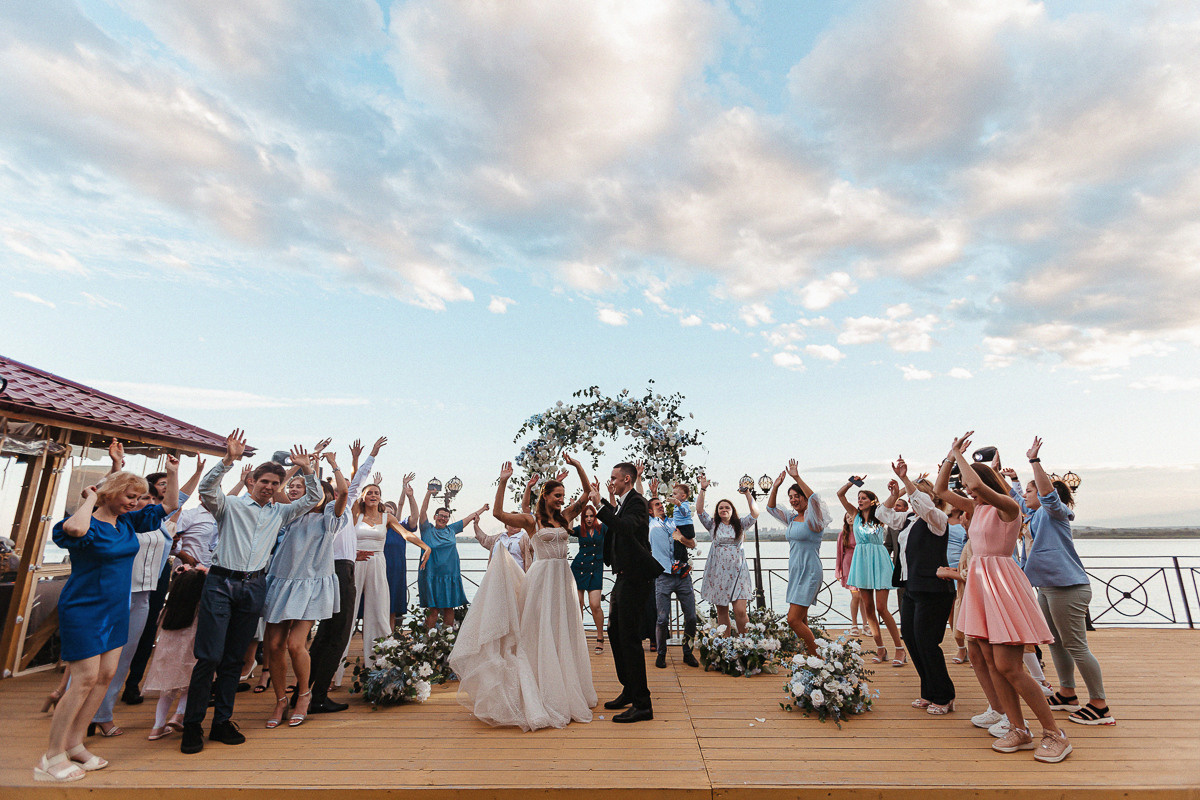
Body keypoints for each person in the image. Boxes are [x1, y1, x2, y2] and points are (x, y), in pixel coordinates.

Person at [180, 432, 321, 755]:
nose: (270, 487)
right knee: (209, 656)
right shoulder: (228, 506)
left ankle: (222, 722)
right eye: (265, 481)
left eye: (275, 483)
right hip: (220, 583)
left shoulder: (280, 513)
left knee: (234, 658)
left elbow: (312, 499)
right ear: (252, 481)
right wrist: (228, 460)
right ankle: (192, 725)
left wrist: (307, 470)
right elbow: (205, 490)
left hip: (254, 585)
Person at [37, 464, 178, 782]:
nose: (136, 502)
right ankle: (51, 756)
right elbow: (73, 532)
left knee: (106, 676)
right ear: (110, 493)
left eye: (140, 496)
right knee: (84, 679)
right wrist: (90, 499)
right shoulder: (83, 524)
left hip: (117, 609)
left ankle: (75, 744)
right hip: (85, 610)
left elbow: (169, 505)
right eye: (131, 496)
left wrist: (174, 470)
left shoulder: (127, 522)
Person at [949, 432, 1072, 763]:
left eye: (972, 482)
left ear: (986, 481)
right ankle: (1018, 728)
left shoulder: (1007, 506)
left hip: (1002, 583)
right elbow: (939, 491)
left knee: (1009, 665)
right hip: (980, 584)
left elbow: (974, 487)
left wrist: (961, 457)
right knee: (991, 661)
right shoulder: (976, 508)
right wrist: (950, 458)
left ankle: (1054, 733)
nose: (968, 489)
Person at [449, 456, 597, 730]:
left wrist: (578, 467)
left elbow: (587, 494)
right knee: (537, 630)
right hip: (541, 578)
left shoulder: (565, 517)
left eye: (563, 496)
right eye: (557, 496)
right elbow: (498, 514)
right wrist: (503, 482)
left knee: (561, 628)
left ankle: (565, 685)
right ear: (546, 496)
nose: (561, 500)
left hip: (563, 577)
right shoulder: (531, 521)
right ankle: (540, 685)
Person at [1008, 437, 1113, 726]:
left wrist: (1034, 461)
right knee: (1055, 642)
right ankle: (1067, 693)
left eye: (1031, 490)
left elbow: (1047, 496)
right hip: (1047, 587)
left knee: (1076, 644)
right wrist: (1010, 478)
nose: (1026, 495)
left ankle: (1100, 705)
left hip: (1068, 587)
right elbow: (1015, 500)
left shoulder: (1054, 513)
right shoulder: (1032, 517)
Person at [261, 452, 349, 729]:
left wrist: (330, 466)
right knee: (273, 645)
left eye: (316, 491)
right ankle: (279, 700)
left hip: (311, 585)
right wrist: (294, 467)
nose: (303, 493)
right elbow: (279, 491)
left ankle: (304, 694)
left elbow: (343, 491)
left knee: (295, 644)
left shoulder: (328, 518)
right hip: (282, 580)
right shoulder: (291, 514)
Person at [338, 474, 433, 682]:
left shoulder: (387, 518)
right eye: (369, 492)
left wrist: (426, 546)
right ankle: (334, 674)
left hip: (378, 564)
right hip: (356, 564)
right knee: (347, 614)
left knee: (380, 615)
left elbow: (407, 535)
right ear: (362, 496)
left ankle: (380, 668)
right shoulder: (355, 513)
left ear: (381, 498)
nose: (373, 495)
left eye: (377, 493)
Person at [882, 457, 957, 715]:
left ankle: (945, 696)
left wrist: (906, 480)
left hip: (934, 590)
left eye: (917, 495)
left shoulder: (937, 520)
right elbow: (883, 514)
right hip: (911, 588)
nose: (912, 500)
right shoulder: (909, 522)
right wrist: (895, 494)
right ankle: (929, 691)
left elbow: (923, 505)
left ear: (930, 498)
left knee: (927, 642)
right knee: (912, 640)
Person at [307, 441, 377, 714]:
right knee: (335, 636)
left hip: (341, 566)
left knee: (325, 636)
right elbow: (350, 485)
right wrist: (331, 463)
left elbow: (357, 479)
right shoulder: (332, 511)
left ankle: (307, 692)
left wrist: (370, 455)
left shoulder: (343, 511)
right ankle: (317, 697)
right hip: (337, 572)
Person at [591, 461, 661, 723]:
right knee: (614, 632)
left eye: (615, 478)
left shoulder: (638, 502)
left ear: (628, 480)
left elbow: (625, 527)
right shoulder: (624, 502)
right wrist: (606, 505)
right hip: (623, 576)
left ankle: (643, 705)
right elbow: (618, 522)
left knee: (629, 638)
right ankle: (630, 689)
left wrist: (600, 506)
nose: (612, 482)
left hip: (636, 577)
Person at [765, 459, 832, 657]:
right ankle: (810, 657)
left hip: (810, 571)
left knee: (793, 620)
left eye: (797, 496)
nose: (793, 500)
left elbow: (815, 499)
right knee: (802, 619)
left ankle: (818, 658)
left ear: (804, 497)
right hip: (795, 570)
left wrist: (796, 477)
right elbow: (770, 508)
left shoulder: (814, 519)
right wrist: (776, 486)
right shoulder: (792, 518)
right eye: (791, 497)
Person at [838, 479, 905, 665]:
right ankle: (881, 649)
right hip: (861, 561)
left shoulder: (880, 514)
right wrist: (852, 483)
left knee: (881, 608)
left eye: (864, 498)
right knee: (868, 608)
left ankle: (900, 649)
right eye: (859, 498)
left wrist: (897, 489)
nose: (860, 500)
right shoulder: (854, 515)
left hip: (878, 558)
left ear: (872, 501)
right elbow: (840, 495)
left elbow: (895, 497)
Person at [144, 564, 207, 740]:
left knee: (166, 693)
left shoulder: (168, 610)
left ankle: (157, 727)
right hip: (188, 656)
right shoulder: (198, 611)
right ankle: (179, 715)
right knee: (188, 686)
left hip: (166, 657)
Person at [696, 474, 759, 635]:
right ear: (718, 512)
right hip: (719, 573)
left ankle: (746, 643)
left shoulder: (741, 524)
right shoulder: (712, 525)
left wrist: (747, 494)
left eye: (727, 508)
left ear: (732, 511)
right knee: (722, 612)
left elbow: (755, 513)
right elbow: (699, 510)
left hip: (739, 573)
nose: (724, 510)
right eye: (721, 508)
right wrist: (702, 489)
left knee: (740, 611)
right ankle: (726, 645)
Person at [417, 485, 485, 630]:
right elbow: (422, 512)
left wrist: (483, 509)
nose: (443, 518)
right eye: (440, 516)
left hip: (450, 575)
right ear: (435, 517)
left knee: (449, 608)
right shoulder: (426, 529)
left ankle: (447, 640)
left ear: (448, 519)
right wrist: (428, 493)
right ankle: (428, 642)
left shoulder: (451, 529)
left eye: (445, 517)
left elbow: (470, 517)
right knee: (433, 610)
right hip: (431, 575)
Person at [648, 490, 698, 669]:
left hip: (683, 576)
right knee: (662, 619)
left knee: (691, 617)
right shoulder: (650, 524)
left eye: (661, 504)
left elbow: (692, 543)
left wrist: (681, 538)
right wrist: (638, 478)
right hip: (663, 577)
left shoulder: (675, 522)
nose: (661, 506)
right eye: (656, 505)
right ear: (650, 512)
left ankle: (688, 652)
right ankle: (661, 654)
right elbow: (638, 497)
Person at [570, 503, 606, 653]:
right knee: (578, 603)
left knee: (595, 604)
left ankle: (600, 636)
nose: (589, 518)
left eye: (592, 516)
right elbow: (567, 531)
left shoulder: (602, 528)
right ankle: (578, 637)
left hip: (596, 568)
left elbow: (612, 518)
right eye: (586, 516)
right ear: (582, 517)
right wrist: (572, 509)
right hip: (579, 568)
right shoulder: (580, 530)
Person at [834, 513, 862, 634]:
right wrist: (838, 571)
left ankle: (866, 625)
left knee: (865, 598)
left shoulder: (861, 532)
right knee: (856, 596)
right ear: (845, 519)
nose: (850, 518)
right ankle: (854, 624)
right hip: (848, 565)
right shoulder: (843, 534)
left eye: (852, 516)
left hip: (861, 564)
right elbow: (839, 553)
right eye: (848, 516)